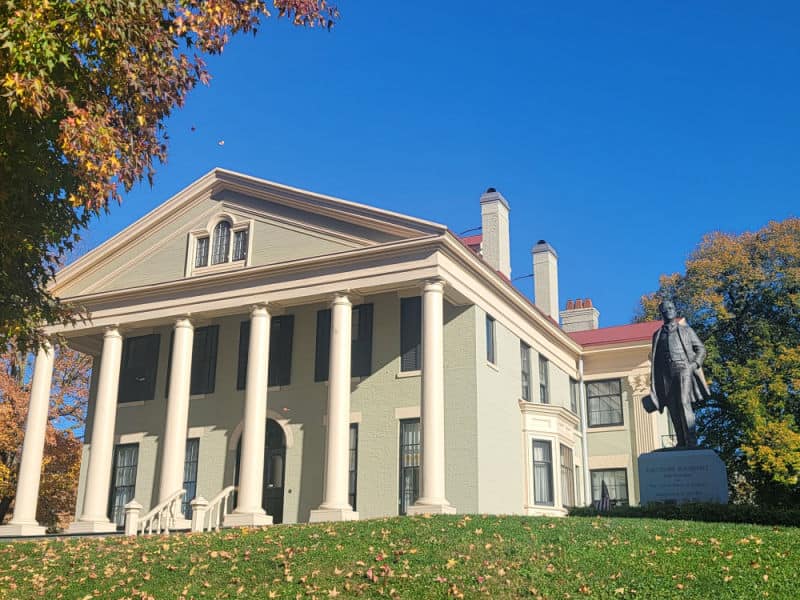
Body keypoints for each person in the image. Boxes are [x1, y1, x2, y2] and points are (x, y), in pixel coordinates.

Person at [642, 299, 710, 448]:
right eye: (665, 309)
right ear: (662, 313)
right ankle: (681, 441)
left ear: (675, 310)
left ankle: (691, 441)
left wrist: (694, 364)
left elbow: (701, 349)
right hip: (666, 374)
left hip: (684, 368)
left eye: (671, 308)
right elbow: (656, 358)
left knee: (683, 402)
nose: (669, 311)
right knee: (672, 407)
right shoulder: (657, 335)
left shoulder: (686, 330)